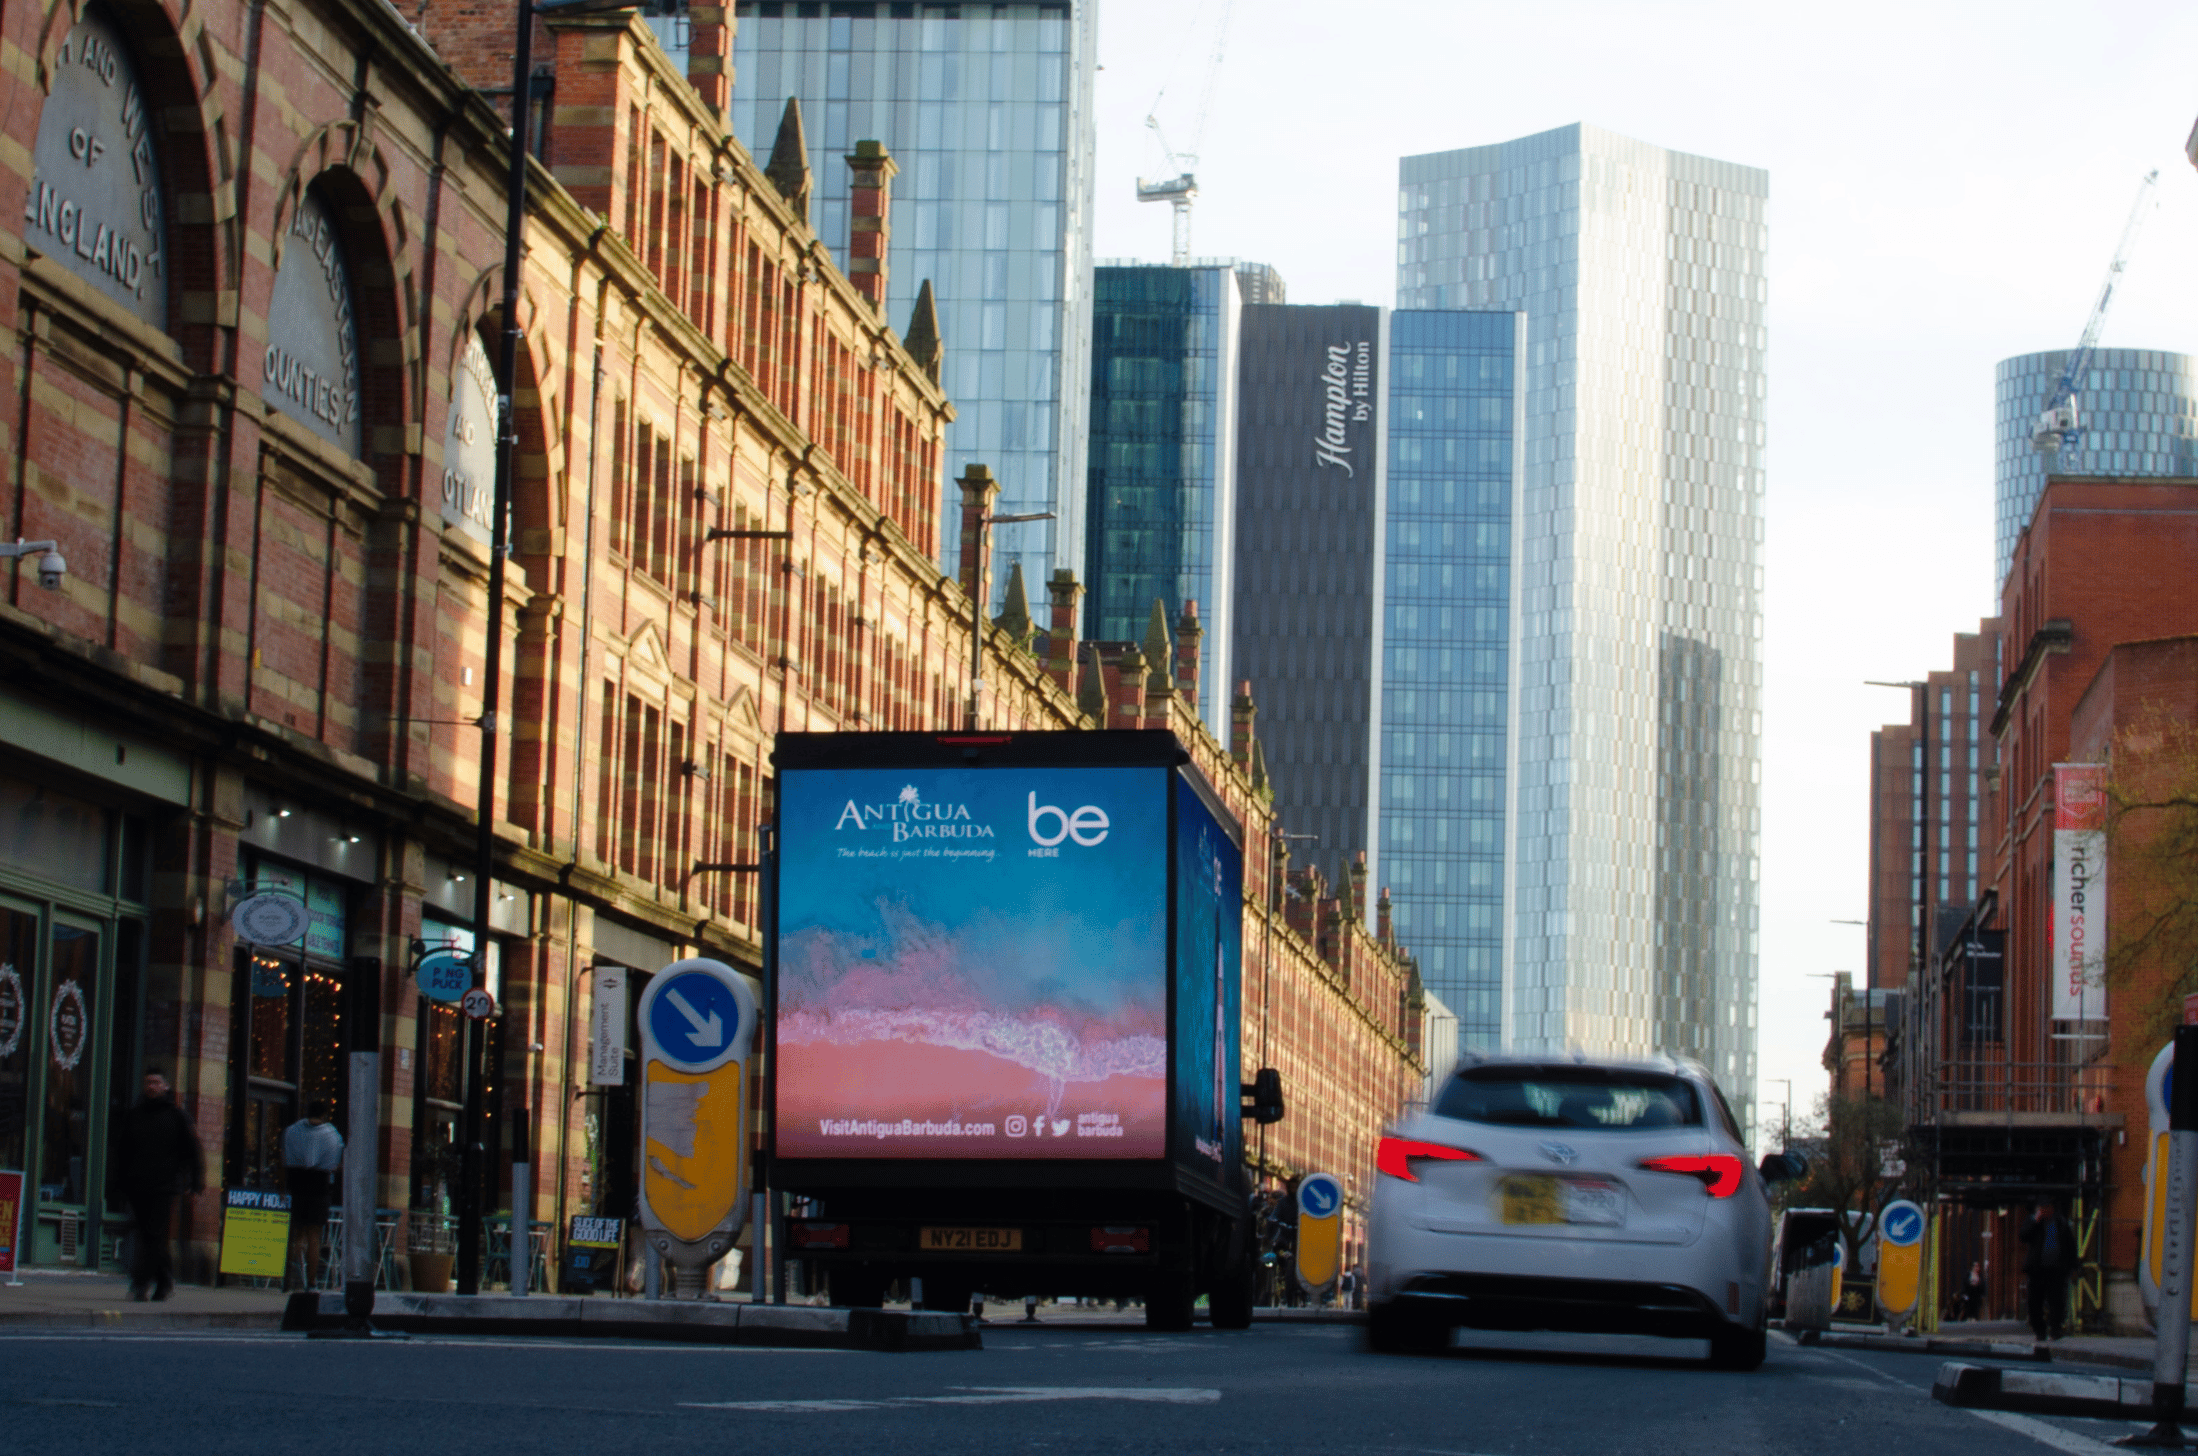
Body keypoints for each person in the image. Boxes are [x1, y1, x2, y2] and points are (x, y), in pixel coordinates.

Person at [113, 1069, 205, 1301]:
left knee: (153, 1234)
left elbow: (193, 1150)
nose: (151, 1086)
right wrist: (119, 1181)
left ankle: (141, 1282)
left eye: (155, 1082)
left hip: (165, 1185)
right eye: (147, 1082)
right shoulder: (134, 1116)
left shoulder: (177, 1116)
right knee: (150, 1235)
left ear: (165, 1086)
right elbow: (122, 1151)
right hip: (138, 1184)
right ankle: (164, 1281)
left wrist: (196, 1182)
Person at [281, 1101, 344, 1291]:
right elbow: (336, 1163)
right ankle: (311, 1282)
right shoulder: (331, 1135)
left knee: (297, 1235)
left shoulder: (292, 1131)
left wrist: (284, 1186)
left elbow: (284, 1159)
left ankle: (289, 1279)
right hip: (319, 1187)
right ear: (324, 1114)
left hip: (297, 1184)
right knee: (314, 1236)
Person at [2019, 1200, 2078, 1341]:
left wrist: (2073, 1267)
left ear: (2052, 1208)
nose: (2045, 1210)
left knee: (2057, 1301)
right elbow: (2023, 1236)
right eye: (2042, 1208)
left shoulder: (2061, 1223)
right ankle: (2039, 1330)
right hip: (2037, 1269)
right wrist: (2035, 1220)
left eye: (2047, 1207)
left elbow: (2070, 1245)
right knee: (2035, 1302)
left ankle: (2055, 1329)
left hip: (2056, 1270)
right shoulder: (2033, 1221)